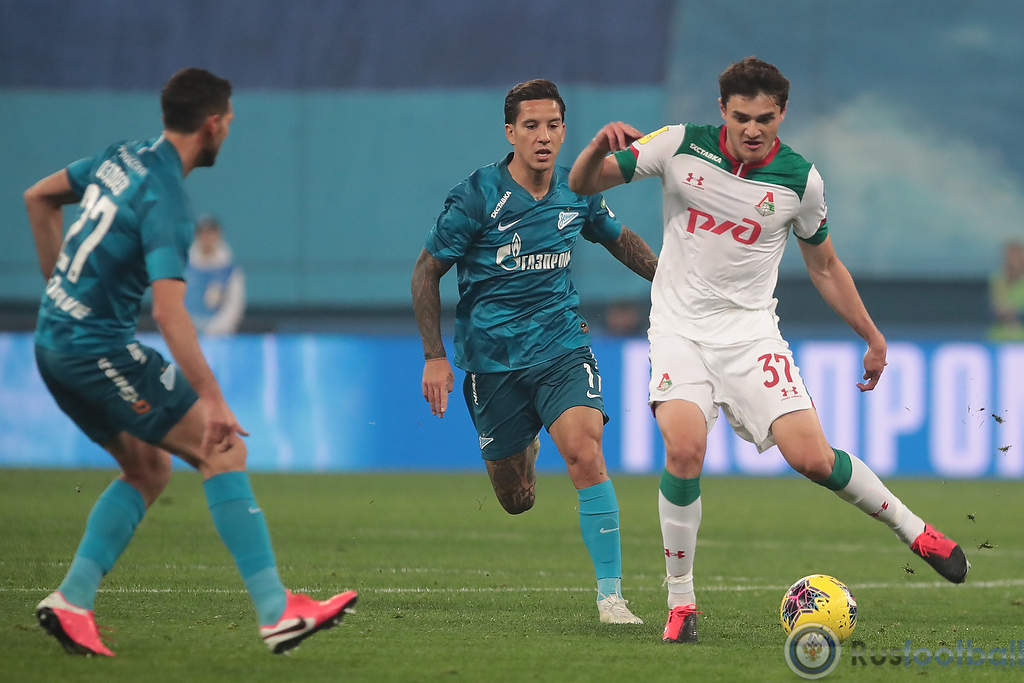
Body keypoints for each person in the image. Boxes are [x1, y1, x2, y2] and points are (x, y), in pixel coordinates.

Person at [568, 57, 970, 644]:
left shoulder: (800, 181)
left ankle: (916, 531)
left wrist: (872, 335)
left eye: (765, 118)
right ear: (722, 112)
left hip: (751, 336)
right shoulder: (678, 145)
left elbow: (825, 267)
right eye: (741, 118)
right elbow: (584, 184)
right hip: (679, 331)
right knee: (684, 448)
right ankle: (681, 602)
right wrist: (594, 148)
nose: (752, 129)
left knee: (812, 459)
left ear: (781, 114)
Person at [24, 67, 356, 657]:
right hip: (95, 349)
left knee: (148, 469)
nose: (228, 130)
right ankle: (277, 612)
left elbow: (39, 197)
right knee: (221, 447)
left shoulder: (120, 156)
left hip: (53, 342)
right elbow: (170, 313)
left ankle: (73, 600)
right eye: (229, 121)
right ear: (212, 125)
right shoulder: (168, 201)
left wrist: (58, 288)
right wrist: (215, 400)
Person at [411, 79, 659, 625]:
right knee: (516, 498)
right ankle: (527, 439)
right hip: (492, 361)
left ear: (564, 130)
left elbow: (618, 239)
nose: (543, 136)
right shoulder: (476, 196)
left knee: (585, 452)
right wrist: (434, 356)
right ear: (510, 132)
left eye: (552, 125)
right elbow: (426, 272)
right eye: (530, 126)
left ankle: (611, 597)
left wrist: (669, 279)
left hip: (561, 346)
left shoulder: (578, 189)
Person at [185, 215, 246, 335]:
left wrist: (215, 329)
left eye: (211, 233)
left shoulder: (230, 270)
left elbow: (235, 304)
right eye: (203, 233)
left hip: (219, 334)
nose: (207, 237)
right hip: (186, 332)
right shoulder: (184, 267)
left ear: (218, 234)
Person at [989, 240, 1024, 340]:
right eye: (1008, 256)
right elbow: (998, 307)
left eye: (1015, 256)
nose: (1011, 260)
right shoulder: (998, 279)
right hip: (999, 336)